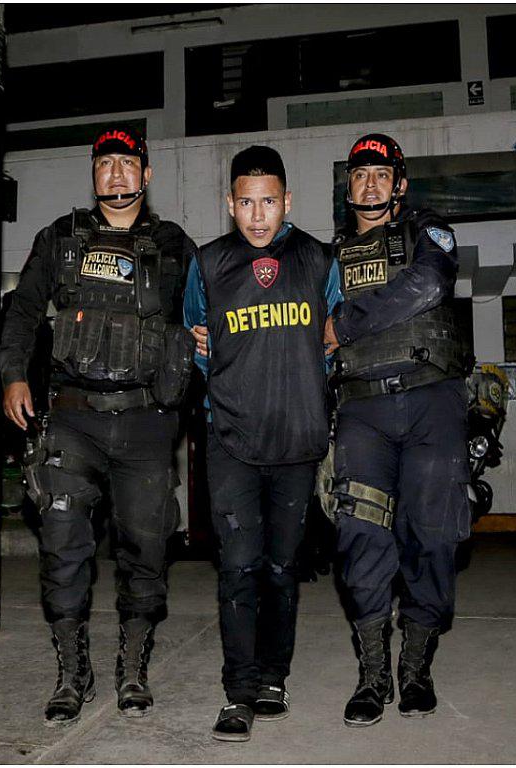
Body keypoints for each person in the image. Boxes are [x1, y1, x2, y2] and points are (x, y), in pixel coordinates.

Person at [0, 125, 198, 725]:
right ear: (94, 174)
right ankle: (71, 670)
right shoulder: (60, 239)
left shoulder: (174, 245)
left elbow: (207, 312)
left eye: (127, 164)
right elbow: (24, 312)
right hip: (73, 421)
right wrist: (13, 375)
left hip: (146, 423)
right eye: (105, 164)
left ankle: (131, 667)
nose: (116, 175)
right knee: (62, 549)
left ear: (147, 175)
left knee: (146, 549)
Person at [183, 146, 340, 741]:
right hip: (231, 439)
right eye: (246, 202)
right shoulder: (208, 262)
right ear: (230, 204)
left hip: (298, 443)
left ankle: (274, 677)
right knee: (239, 568)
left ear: (287, 202)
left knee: (281, 569)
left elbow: (334, 337)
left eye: (268, 201)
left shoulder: (318, 260)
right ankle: (238, 692)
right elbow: (197, 338)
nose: (257, 215)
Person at [317, 133, 471, 726]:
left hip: (431, 401)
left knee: (431, 535)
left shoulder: (427, 232)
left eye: (383, 174)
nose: (371, 183)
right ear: (348, 187)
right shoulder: (329, 259)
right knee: (361, 538)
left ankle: (415, 669)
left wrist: (343, 324)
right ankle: (372, 675)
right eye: (360, 174)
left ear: (399, 184)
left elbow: (429, 285)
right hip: (361, 411)